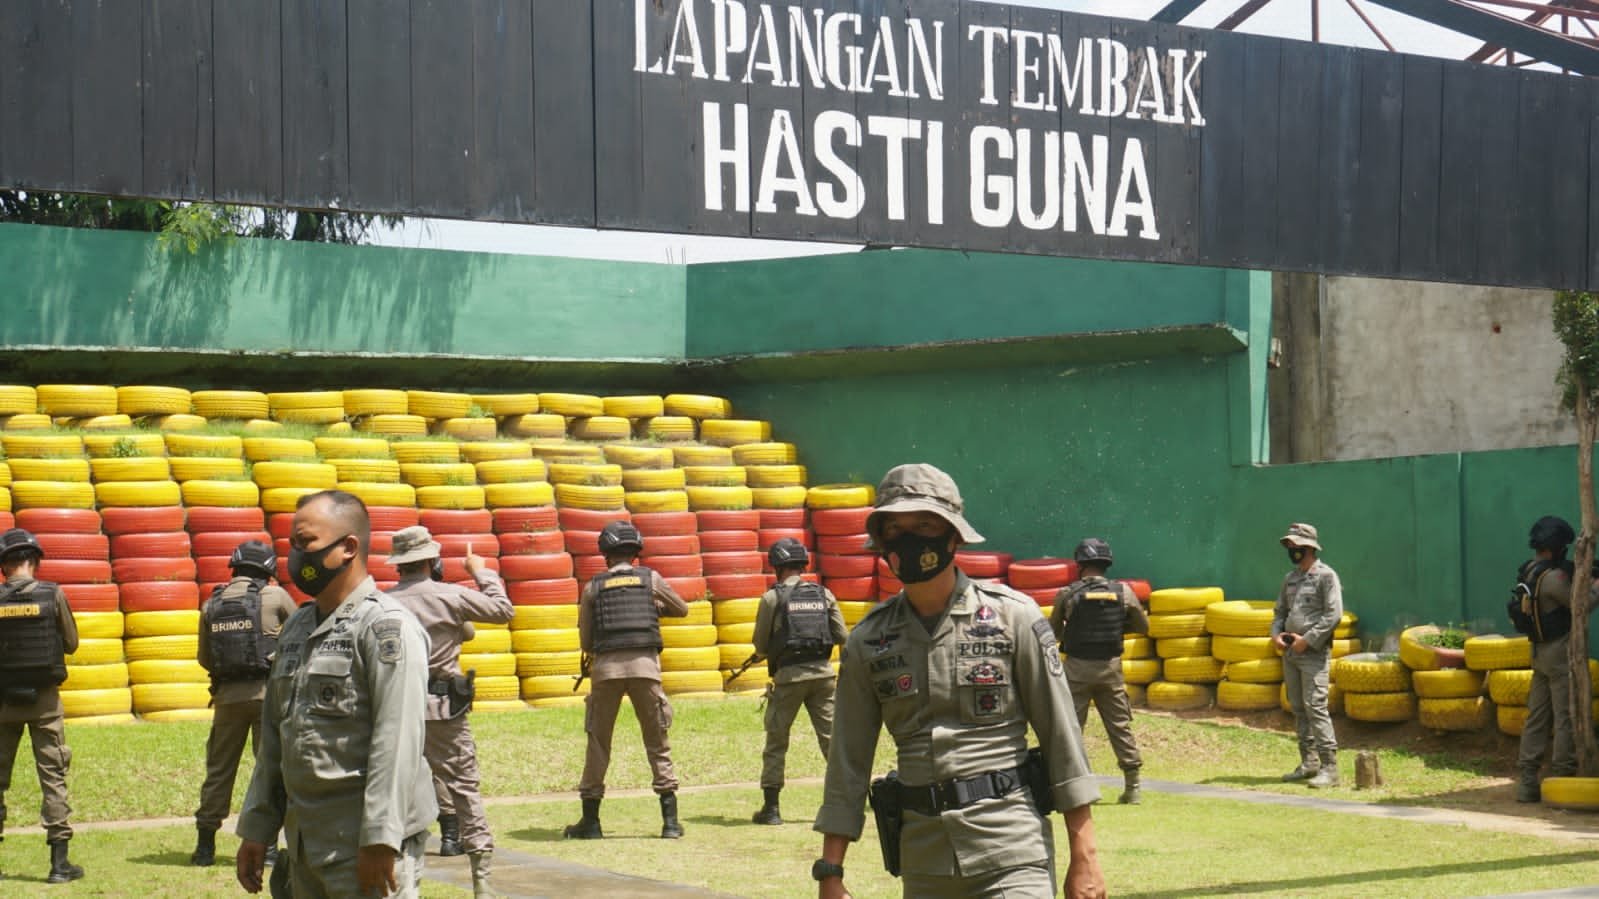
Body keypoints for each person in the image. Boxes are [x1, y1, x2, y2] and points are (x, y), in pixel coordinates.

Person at [813, 464, 1105, 899]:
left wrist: (1085, 854)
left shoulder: (1013, 618)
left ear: (953, 536)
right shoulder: (869, 640)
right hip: (924, 864)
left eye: (924, 526)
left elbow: (1062, 738)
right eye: (895, 529)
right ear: (882, 542)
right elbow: (847, 760)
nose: (909, 539)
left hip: (1011, 852)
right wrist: (830, 871)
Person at [234, 489, 435, 898]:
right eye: (292, 544)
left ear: (348, 548)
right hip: (305, 843)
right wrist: (258, 828)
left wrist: (380, 839)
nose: (295, 556)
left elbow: (397, 740)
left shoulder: (385, 628)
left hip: (363, 847)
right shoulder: (297, 627)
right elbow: (274, 739)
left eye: (306, 542)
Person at [384, 526, 514, 897]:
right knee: (464, 788)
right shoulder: (451, 595)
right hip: (442, 709)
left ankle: (394, 876)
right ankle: (481, 880)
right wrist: (480, 571)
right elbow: (503, 610)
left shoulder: (383, 603)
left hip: (396, 710)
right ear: (432, 560)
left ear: (399, 564)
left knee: (389, 791)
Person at [563, 520, 689, 841]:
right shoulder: (650, 578)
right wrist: (653, 607)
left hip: (606, 671)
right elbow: (681, 609)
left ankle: (591, 822)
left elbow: (586, 641)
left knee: (598, 743)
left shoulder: (592, 588)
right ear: (635, 552)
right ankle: (670, 822)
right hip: (646, 669)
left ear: (605, 553)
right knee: (657, 742)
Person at [191, 539, 297, 868]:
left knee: (219, 771)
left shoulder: (212, 603)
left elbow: (204, 658)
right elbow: (301, 634)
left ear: (234, 567)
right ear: (268, 569)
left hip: (226, 699)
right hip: (268, 696)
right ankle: (268, 848)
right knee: (270, 769)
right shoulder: (276, 596)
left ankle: (204, 847)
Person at [0, 527, 84, 883]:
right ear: (34, 561)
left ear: (4, 566)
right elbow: (72, 643)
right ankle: (58, 865)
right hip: (45, 703)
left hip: (3, 703)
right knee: (53, 778)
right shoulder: (53, 594)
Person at [749, 537, 847, 826]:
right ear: (802, 564)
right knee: (832, 740)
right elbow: (842, 636)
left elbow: (760, 644)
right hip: (823, 676)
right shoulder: (824, 594)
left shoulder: (772, 598)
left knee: (776, 741)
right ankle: (849, 798)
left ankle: (771, 809)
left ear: (777, 566)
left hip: (789, 678)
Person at [1051, 538, 1149, 805]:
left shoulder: (1067, 593)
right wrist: (1118, 627)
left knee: (1072, 728)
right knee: (1119, 726)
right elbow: (1143, 627)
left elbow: (1054, 632)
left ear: (1080, 564)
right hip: (1111, 669)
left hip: (1076, 670)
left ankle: (1077, 788)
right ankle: (1133, 787)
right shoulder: (1124, 592)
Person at [1508, 515, 1590, 802]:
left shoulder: (1530, 570)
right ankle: (1563, 776)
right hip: (1557, 654)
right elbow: (1582, 604)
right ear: (1558, 547)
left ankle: (1527, 782)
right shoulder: (1554, 578)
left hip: (1538, 652)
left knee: (1537, 717)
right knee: (1564, 715)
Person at [1271, 522, 1344, 790]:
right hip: (1290, 652)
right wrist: (1276, 635)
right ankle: (1309, 762)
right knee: (1298, 707)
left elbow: (1333, 615)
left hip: (1313, 654)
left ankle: (1330, 769)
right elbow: (1279, 612)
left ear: (1310, 547)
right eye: (1290, 545)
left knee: (1315, 707)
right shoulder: (1290, 579)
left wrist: (1308, 640)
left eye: (1296, 545)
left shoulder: (1326, 576)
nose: (1292, 549)